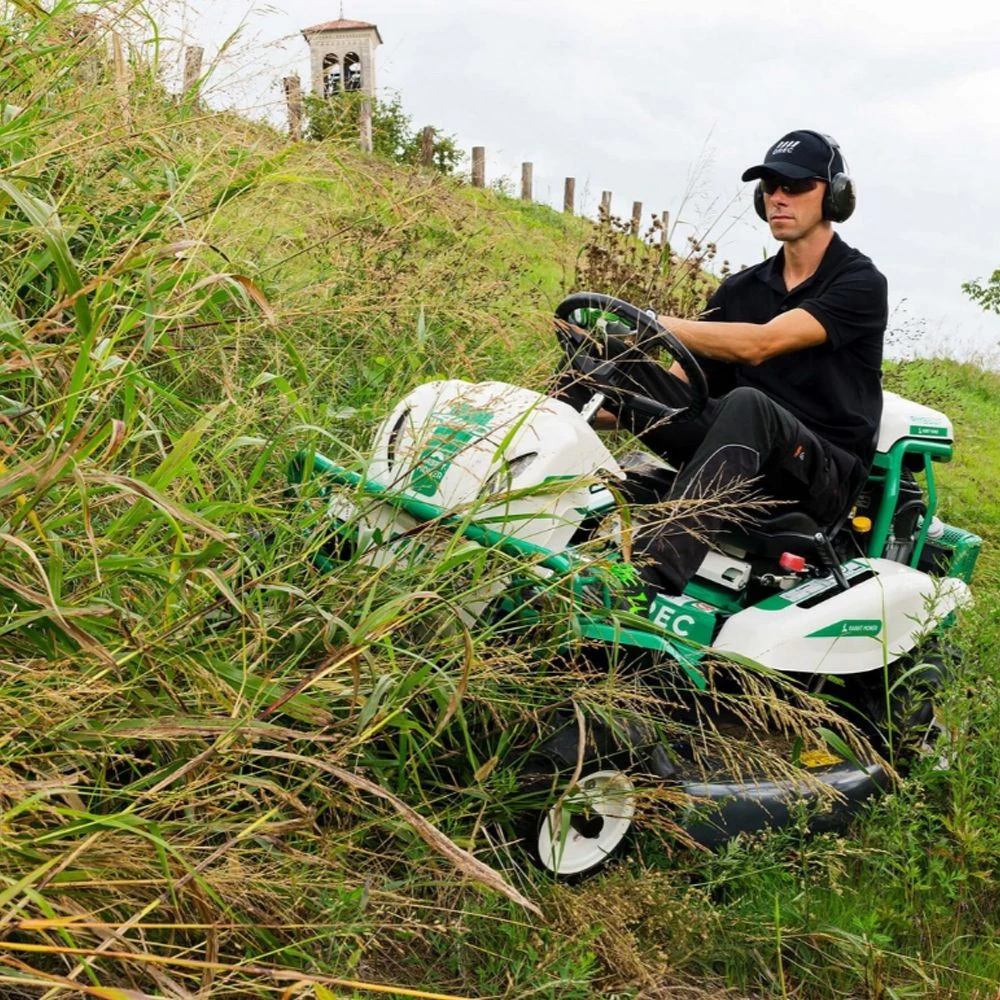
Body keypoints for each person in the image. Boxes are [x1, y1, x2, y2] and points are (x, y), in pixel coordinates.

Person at [575, 129, 889, 599]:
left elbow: (761, 344)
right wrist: (601, 395)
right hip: (736, 449)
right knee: (599, 369)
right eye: (770, 187)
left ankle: (643, 579)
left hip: (818, 471)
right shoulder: (740, 290)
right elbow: (680, 390)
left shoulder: (859, 282)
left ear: (836, 197)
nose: (780, 198)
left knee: (747, 404)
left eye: (797, 186)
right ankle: (507, 511)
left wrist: (651, 323)